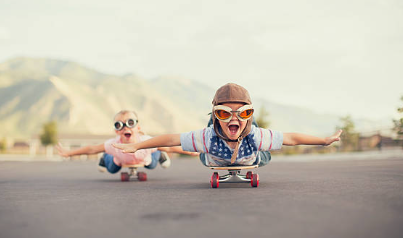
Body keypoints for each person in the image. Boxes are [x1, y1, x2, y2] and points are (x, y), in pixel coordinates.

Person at [112, 83, 342, 167]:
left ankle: (243, 119)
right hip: (212, 155)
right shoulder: (206, 137)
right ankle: (219, 119)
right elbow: (171, 139)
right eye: (224, 113)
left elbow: (291, 138)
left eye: (243, 113)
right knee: (205, 146)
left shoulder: (257, 137)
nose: (234, 119)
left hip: (251, 155)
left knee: (263, 151)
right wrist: (137, 146)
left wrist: (323, 140)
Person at [56, 110, 196, 174]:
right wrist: (69, 153)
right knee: (111, 169)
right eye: (119, 125)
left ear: (138, 127)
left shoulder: (146, 141)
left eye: (130, 123)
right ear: (116, 130)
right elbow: (92, 149)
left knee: (152, 163)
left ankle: (159, 155)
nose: (125, 128)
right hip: (120, 160)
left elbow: (170, 147)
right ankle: (105, 158)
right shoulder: (113, 144)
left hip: (145, 158)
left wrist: (190, 151)